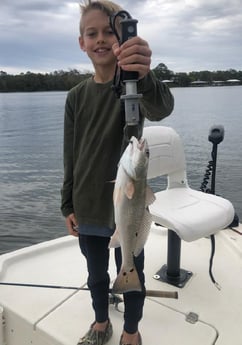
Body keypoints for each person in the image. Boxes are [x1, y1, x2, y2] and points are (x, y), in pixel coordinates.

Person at [61, 1, 174, 344]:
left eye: (109, 32)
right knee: (96, 275)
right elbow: (70, 154)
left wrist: (143, 74)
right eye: (91, 33)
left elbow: (162, 108)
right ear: (81, 42)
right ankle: (100, 323)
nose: (100, 40)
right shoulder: (75, 97)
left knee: (132, 272)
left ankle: (131, 330)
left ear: (122, 37)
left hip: (130, 207)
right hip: (89, 205)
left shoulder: (133, 86)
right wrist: (67, 204)